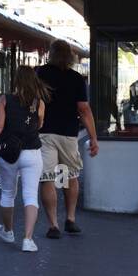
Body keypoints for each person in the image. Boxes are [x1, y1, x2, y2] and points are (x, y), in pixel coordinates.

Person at [35, 40, 99, 239]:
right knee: (68, 175)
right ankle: (70, 219)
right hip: (68, 135)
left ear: (50, 54)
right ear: (70, 57)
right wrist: (93, 138)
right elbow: (84, 110)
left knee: (47, 178)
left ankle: (53, 225)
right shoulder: (76, 78)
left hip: (45, 134)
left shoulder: (40, 74)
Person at [0, 65, 49, 252]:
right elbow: (39, 125)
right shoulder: (39, 103)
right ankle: (28, 240)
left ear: (16, 80)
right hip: (32, 153)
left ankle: (8, 231)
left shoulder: (5, 99)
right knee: (30, 195)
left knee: (7, 193)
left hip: (9, 152)